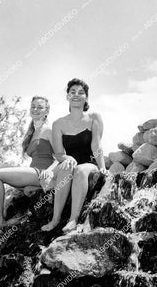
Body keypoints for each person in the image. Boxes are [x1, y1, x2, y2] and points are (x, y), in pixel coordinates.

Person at [0, 96, 58, 246]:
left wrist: (49, 172)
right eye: (33, 107)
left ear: (47, 111)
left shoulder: (49, 130)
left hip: (41, 173)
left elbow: (61, 156)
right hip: (32, 173)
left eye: (39, 107)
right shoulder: (32, 132)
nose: (35, 110)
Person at [41, 78, 108, 233]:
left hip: (88, 163)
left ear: (86, 97)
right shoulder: (58, 123)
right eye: (72, 92)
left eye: (81, 92)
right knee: (66, 167)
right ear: (67, 97)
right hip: (68, 162)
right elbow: (58, 153)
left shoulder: (94, 117)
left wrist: (103, 167)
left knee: (80, 170)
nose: (76, 95)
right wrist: (67, 158)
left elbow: (96, 145)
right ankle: (55, 219)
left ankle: (73, 219)